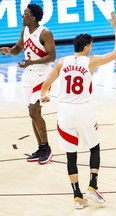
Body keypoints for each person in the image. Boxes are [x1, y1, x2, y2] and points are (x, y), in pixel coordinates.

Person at [40, 12, 116, 209]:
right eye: (91, 45)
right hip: (83, 110)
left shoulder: (61, 62)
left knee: (71, 154)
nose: (91, 48)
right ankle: (92, 185)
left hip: (65, 112)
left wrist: (43, 95)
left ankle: (77, 196)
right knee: (94, 147)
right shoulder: (90, 61)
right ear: (86, 47)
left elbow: (46, 84)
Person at [0, 4, 55, 164]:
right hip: (29, 75)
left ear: (33, 18)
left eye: (25, 14)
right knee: (32, 113)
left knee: (34, 110)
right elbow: (18, 48)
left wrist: (31, 62)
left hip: (42, 74)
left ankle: (47, 148)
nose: (22, 16)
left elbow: (52, 56)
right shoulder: (24, 31)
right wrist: (9, 50)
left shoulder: (45, 33)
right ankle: (40, 147)